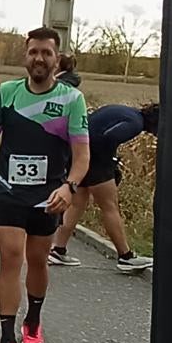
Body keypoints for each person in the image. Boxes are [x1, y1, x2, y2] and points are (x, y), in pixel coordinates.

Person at [0, 27, 89, 343]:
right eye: (33, 52)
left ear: (57, 58)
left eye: (46, 53)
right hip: (9, 191)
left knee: (37, 259)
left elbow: (82, 155)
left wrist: (69, 187)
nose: (39, 58)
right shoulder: (7, 93)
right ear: (26, 56)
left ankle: (33, 320)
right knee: (10, 259)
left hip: (48, 196)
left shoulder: (71, 100)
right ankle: (7, 341)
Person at [51, 103, 157, 271]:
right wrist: (111, 162)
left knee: (78, 204)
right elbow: (108, 138)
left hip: (77, 153)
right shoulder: (136, 124)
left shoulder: (127, 111)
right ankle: (125, 257)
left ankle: (57, 249)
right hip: (95, 160)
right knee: (109, 206)